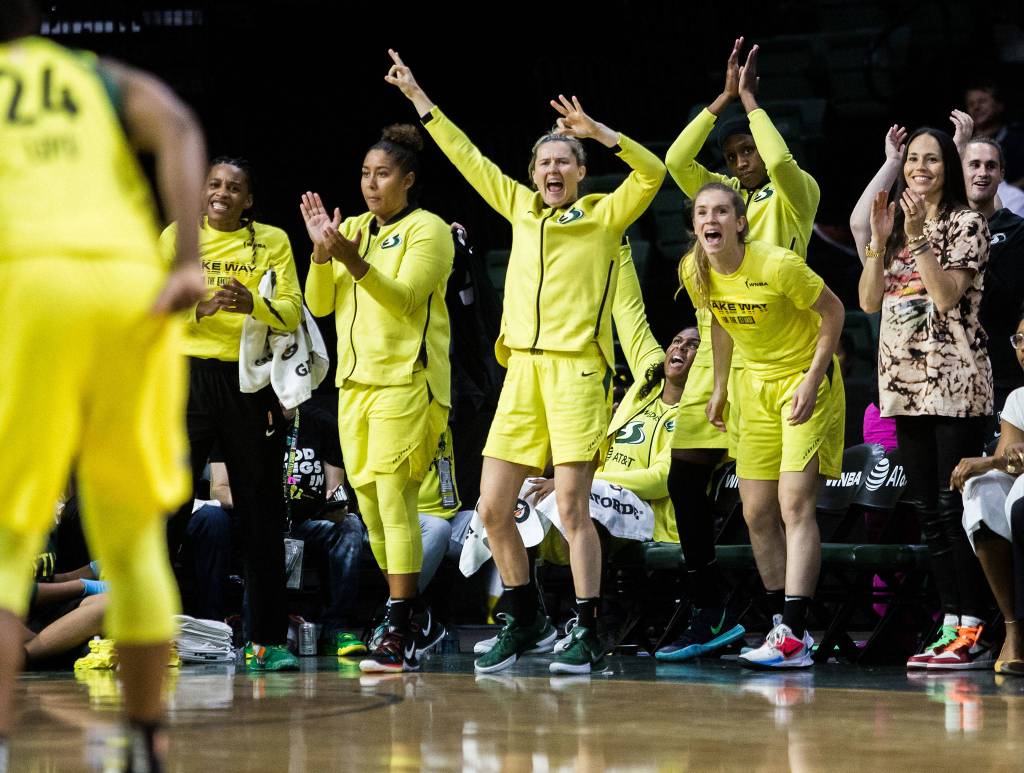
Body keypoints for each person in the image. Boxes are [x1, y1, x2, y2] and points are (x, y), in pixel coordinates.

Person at [384, 48, 665, 674]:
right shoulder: (518, 207)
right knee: (490, 507)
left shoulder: (602, 216)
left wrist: (601, 133)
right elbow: (467, 158)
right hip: (523, 375)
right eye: (544, 161)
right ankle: (525, 614)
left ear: (582, 171)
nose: (553, 168)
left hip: (577, 373)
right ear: (534, 172)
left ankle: (589, 627)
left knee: (570, 507)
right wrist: (420, 102)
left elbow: (652, 175)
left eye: (565, 159)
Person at [0, 1, 207, 769]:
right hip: (127, 285)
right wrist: (187, 257)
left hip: (28, 281)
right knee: (131, 539)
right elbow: (179, 127)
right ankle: (149, 740)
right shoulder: (95, 74)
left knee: (7, 540)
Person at [663, 38, 820, 656]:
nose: (743, 159)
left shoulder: (792, 193)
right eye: (732, 155)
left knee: (783, 501)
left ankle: (789, 622)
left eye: (747, 148)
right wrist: (721, 99)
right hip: (725, 346)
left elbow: (781, 165)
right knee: (688, 476)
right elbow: (677, 161)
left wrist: (751, 102)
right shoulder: (722, 206)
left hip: (785, 348)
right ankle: (714, 605)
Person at [302, 122, 454, 674]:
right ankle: (414, 618)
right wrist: (323, 254)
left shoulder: (428, 230)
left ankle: (397, 623)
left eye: (382, 174)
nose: (370, 184)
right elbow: (318, 306)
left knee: (395, 500)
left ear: (407, 180)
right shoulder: (354, 230)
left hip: (408, 382)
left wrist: (353, 261)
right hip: (354, 386)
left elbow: (408, 299)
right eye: (365, 174)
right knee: (369, 509)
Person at [681, 183, 845, 669]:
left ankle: (795, 633)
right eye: (702, 212)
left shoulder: (777, 265)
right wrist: (718, 388)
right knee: (755, 513)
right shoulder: (695, 269)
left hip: (803, 379)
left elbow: (833, 312)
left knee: (794, 504)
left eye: (721, 211)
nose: (711, 220)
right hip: (752, 388)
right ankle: (779, 623)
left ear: (740, 222)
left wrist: (814, 379)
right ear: (695, 225)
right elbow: (719, 323)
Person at [857, 127, 994, 670]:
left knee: (954, 507)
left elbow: (945, 296)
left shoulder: (968, 223)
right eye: (913, 158)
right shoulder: (894, 228)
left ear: (949, 167)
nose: (920, 167)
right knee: (930, 515)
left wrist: (916, 237)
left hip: (953, 383)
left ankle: (977, 631)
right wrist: (879, 238)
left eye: (932, 159)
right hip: (902, 385)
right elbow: (869, 301)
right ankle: (951, 623)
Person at [161, 157, 303, 673]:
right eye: (215, 184)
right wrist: (197, 309)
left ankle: (267, 639)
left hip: (249, 384)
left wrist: (253, 305)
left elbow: (292, 310)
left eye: (234, 187)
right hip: (186, 380)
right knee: (169, 507)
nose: (222, 192)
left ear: (249, 200)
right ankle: (151, 634)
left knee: (261, 512)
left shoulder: (274, 241)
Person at [952, 314, 1024, 672]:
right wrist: (990, 465)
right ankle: (1014, 628)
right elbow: (1012, 461)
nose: (1023, 349)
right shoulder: (1017, 399)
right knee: (981, 492)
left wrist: (989, 461)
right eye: (1019, 340)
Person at [962, 138, 1024, 410]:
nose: (982, 172)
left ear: (1001, 174)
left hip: (1002, 376)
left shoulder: (1017, 230)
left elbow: (1001, 297)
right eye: (974, 165)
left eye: (991, 166)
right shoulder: (939, 231)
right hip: (951, 377)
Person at [965, 83, 1024, 191]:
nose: (976, 107)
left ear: (999, 105)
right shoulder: (963, 142)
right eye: (971, 104)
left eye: (982, 101)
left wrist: (1006, 194)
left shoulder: (1019, 140)